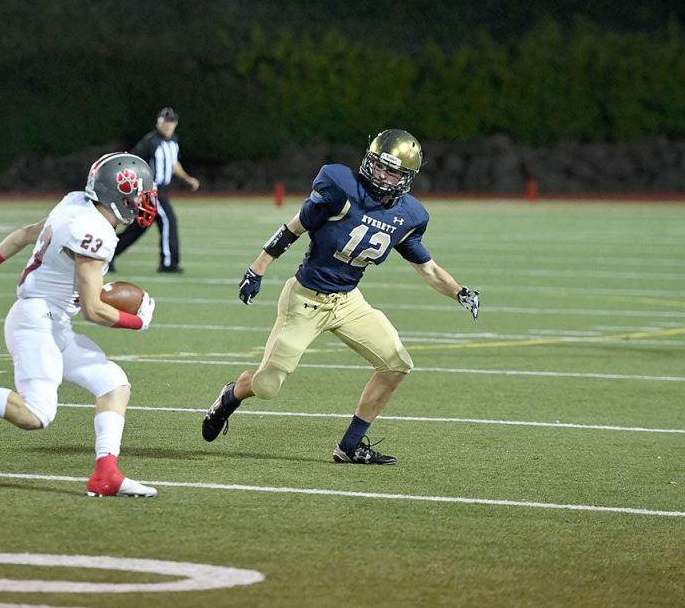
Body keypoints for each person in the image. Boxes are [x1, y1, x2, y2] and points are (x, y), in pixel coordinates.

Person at [200, 129, 480, 464]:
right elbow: (294, 227)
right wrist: (257, 268)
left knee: (397, 363)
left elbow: (429, 269)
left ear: (406, 178)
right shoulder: (340, 187)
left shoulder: (409, 216)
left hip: (347, 301)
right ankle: (230, 396)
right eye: (377, 165)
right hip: (305, 299)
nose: (380, 174)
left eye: (391, 171)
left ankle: (350, 446)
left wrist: (460, 292)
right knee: (267, 387)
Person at [0, 152, 161, 497]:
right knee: (35, 415)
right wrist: (138, 321)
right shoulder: (94, 233)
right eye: (140, 194)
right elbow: (93, 309)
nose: (145, 201)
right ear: (120, 195)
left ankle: (106, 474)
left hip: (53, 324)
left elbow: (26, 234)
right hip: (36, 322)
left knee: (114, 384)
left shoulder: (75, 204)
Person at [111, 107, 200, 273]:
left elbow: (174, 164)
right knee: (168, 220)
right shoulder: (150, 141)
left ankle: (108, 255)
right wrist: (139, 188)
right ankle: (168, 263)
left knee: (139, 227)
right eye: (165, 121)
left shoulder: (173, 140)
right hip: (151, 191)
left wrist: (187, 178)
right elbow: (133, 162)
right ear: (158, 122)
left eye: (171, 122)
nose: (168, 125)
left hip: (163, 190)